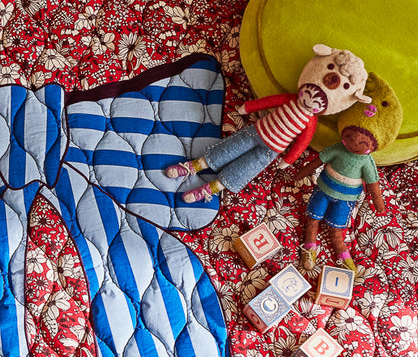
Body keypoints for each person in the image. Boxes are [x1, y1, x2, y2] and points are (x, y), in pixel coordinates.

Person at [164, 45, 370, 203]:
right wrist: (249, 107)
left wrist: (288, 159)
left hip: (270, 152)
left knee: (244, 169)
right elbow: (270, 101)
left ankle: (210, 189)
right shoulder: (290, 100)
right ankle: (194, 166)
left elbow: (302, 142)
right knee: (228, 149)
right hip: (255, 132)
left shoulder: (310, 121)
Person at [287, 72, 403, 271]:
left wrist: (379, 203)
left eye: (363, 142)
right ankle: (309, 248)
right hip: (323, 190)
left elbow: (373, 183)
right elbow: (317, 161)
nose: (354, 142)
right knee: (313, 219)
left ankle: (343, 255)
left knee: (336, 229)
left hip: (345, 199)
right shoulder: (337, 150)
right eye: (349, 136)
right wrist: (299, 175)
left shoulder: (366, 162)